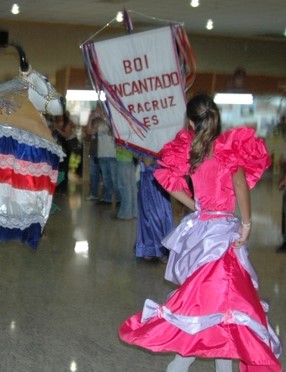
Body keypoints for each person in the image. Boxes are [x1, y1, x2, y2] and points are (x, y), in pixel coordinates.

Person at [119, 94, 281, 371]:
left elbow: (169, 182)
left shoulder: (190, 150)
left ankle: (182, 363)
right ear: (216, 119)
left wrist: (195, 205)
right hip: (223, 234)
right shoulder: (227, 149)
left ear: (191, 123)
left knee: (209, 305)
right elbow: (240, 185)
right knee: (225, 308)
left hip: (201, 232)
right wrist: (247, 223)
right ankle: (183, 364)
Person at [133, 156, 172, 261]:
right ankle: (148, 248)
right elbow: (138, 155)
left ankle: (163, 249)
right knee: (146, 215)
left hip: (158, 180)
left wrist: (154, 160)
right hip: (146, 181)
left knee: (159, 215)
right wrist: (140, 158)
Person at [84, 103, 102, 201]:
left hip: (103, 151)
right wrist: (90, 119)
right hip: (94, 150)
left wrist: (102, 117)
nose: (97, 110)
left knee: (104, 175)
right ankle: (93, 193)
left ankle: (104, 195)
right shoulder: (94, 120)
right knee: (93, 174)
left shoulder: (105, 120)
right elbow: (89, 131)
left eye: (99, 108)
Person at [115, 146, 137, 220]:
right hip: (129, 159)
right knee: (132, 187)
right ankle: (134, 212)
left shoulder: (122, 134)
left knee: (124, 187)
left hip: (122, 159)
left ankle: (126, 213)